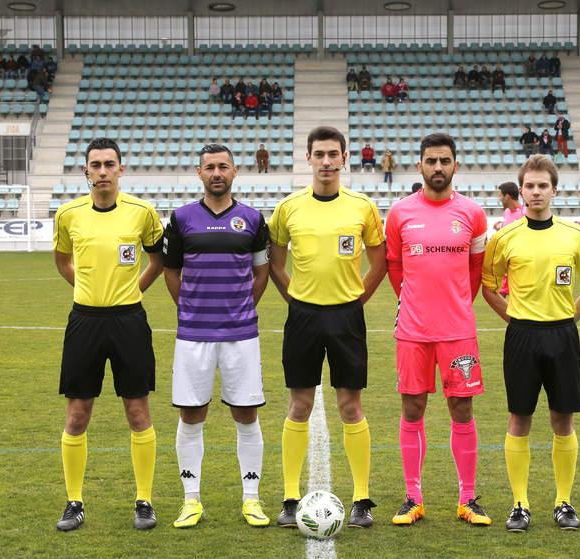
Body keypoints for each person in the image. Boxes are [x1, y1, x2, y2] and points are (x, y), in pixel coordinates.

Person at [268, 126, 387, 529]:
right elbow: (276, 263)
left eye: (332, 154)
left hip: (346, 316)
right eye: (318, 154)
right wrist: (295, 298)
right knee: (299, 404)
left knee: (350, 405)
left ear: (344, 158)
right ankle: (289, 496)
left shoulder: (362, 207)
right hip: (302, 316)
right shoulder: (288, 208)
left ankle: (361, 499)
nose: (325, 162)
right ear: (308, 159)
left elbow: (379, 260)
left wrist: (356, 299)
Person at [481, 154, 580, 533]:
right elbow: (487, 284)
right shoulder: (504, 237)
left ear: (554, 190)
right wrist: (513, 317)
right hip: (522, 336)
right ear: (522, 190)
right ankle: (520, 504)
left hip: (562, 335)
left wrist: (567, 318)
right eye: (529, 186)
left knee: (562, 419)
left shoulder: (575, 235)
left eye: (542, 185)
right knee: (520, 418)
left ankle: (563, 502)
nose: (535, 191)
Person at [53, 138, 165, 532]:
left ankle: (144, 501)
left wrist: (133, 289)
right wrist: (85, 288)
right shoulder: (68, 215)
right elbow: (63, 261)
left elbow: (158, 259)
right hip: (84, 321)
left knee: (137, 411)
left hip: (129, 321)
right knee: (77, 414)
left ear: (121, 169)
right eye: (95, 165)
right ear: (85, 171)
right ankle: (74, 501)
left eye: (109, 164)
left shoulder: (142, 212)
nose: (102, 171)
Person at [385, 133, 491, 528]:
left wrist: (456, 305)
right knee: (412, 408)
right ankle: (413, 497)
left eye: (445, 161)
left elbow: (476, 271)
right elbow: (396, 269)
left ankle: (468, 498)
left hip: (458, 331)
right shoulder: (399, 213)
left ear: (455, 166)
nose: (438, 168)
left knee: (462, 410)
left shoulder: (473, 214)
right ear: (420, 166)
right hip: (413, 331)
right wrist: (416, 301)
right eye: (431, 161)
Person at [163, 144, 271, 529]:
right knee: (192, 414)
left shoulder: (253, 219)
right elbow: (171, 272)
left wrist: (242, 306)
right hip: (194, 334)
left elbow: (261, 273)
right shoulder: (181, 219)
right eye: (209, 167)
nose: (216, 173)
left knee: (246, 413)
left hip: (241, 334)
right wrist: (190, 307)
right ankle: (191, 500)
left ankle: (252, 499)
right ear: (199, 173)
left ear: (235, 171)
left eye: (223, 166)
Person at [494, 182, 524, 297]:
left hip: (520, 266)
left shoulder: (525, 214)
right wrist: (500, 228)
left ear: (507, 197)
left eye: (500, 195)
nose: (499, 198)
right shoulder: (506, 213)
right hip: (507, 264)